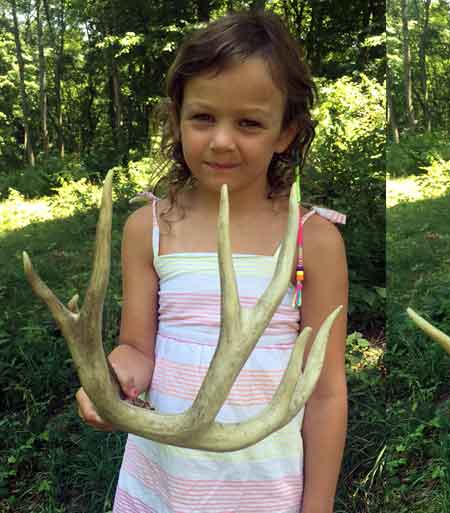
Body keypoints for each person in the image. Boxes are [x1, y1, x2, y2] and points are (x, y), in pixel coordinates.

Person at [75, 11, 348, 513]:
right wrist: (111, 380)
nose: (222, 140)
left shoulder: (315, 239)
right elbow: (137, 347)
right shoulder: (149, 228)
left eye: (248, 123)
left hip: (265, 487)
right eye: (203, 118)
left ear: (285, 132)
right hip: (164, 482)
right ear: (177, 119)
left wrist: (318, 506)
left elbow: (326, 391)